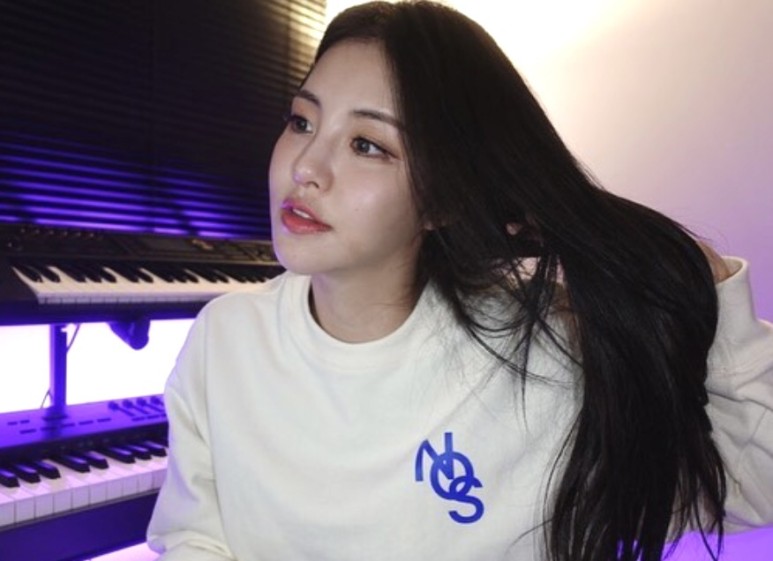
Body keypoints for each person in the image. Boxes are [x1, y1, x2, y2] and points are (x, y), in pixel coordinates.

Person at [146, 2, 773, 560]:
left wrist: (711, 289)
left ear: (443, 200)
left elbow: (754, 484)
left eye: (367, 145)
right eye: (302, 121)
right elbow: (194, 535)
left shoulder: (543, 358)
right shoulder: (224, 339)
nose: (306, 166)